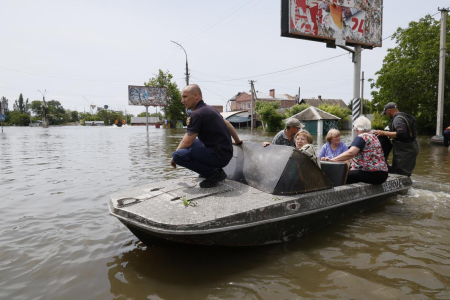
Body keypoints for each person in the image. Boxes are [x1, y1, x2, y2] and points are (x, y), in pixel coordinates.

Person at [171, 84, 243, 188]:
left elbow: (187, 142)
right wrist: (238, 141)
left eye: (185, 97)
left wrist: (173, 157)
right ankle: (209, 170)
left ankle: (213, 174)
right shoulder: (210, 109)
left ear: (196, 95)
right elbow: (227, 124)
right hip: (226, 153)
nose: (182, 100)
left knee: (178, 155)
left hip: (219, 156)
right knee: (193, 143)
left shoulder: (197, 114)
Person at [324, 116, 388, 185]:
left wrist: (332, 160)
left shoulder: (361, 137)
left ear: (356, 128)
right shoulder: (374, 136)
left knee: (338, 175)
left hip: (371, 174)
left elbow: (351, 153)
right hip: (383, 174)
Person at [373, 102, 419, 176]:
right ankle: (406, 185)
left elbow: (401, 134)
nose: (387, 115)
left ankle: (403, 186)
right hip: (411, 147)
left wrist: (383, 133)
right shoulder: (403, 116)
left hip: (405, 150)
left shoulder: (398, 119)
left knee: (401, 173)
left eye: (386, 113)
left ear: (389, 110)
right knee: (403, 171)